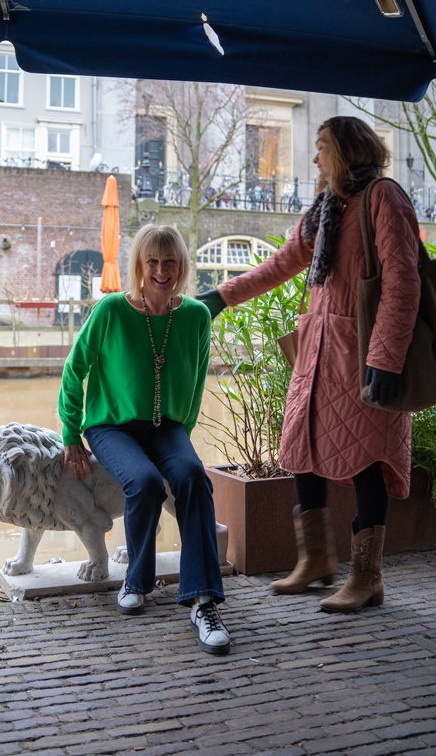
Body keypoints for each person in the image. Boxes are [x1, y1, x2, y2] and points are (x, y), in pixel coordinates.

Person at [199, 116, 421, 613]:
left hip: (363, 356)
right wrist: (221, 295)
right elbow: (283, 263)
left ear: (347, 149)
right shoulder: (325, 206)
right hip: (316, 354)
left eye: (322, 148)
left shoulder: (385, 198)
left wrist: (385, 359)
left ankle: (367, 578)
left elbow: (404, 283)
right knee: (300, 451)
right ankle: (316, 561)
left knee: (366, 461)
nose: (315, 159)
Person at [58, 224, 229, 654]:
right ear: (138, 265)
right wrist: (71, 431)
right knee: (146, 482)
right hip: (111, 426)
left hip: (168, 427)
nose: (160, 270)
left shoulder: (195, 316)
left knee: (192, 476)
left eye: (169, 261)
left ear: (181, 266)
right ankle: (137, 578)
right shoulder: (112, 310)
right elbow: (74, 369)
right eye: (152, 261)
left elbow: (195, 382)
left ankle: (203, 601)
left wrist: (180, 437)